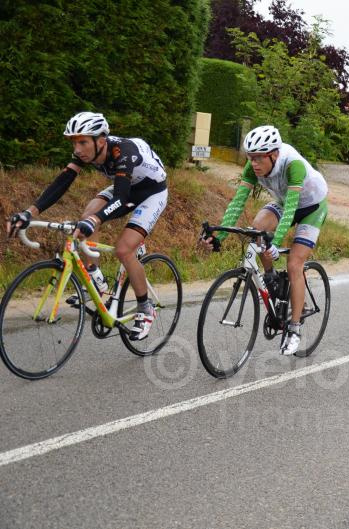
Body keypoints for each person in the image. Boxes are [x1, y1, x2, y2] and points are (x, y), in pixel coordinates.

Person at [6, 112, 168, 341]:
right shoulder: (87, 151)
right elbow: (61, 183)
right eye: (74, 142)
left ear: (100, 140)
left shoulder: (124, 152)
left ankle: (145, 308)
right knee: (87, 214)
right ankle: (96, 278)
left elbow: (121, 197)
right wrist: (29, 213)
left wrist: (95, 221)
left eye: (82, 142)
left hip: (152, 192)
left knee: (123, 249)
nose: (78, 148)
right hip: (127, 186)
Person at [200, 125, 329, 356]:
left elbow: (291, 209)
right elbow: (237, 202)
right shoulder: (253, 167)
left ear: (274, 154)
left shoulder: (293, 165)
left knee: (294, 265)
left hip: (311, 207)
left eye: (259, 158)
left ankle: (294, 328)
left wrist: (276, 244)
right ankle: (270, 277)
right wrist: (218, 235)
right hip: (284, 201)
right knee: (256, 228)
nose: (254, 163)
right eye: (251, 158)